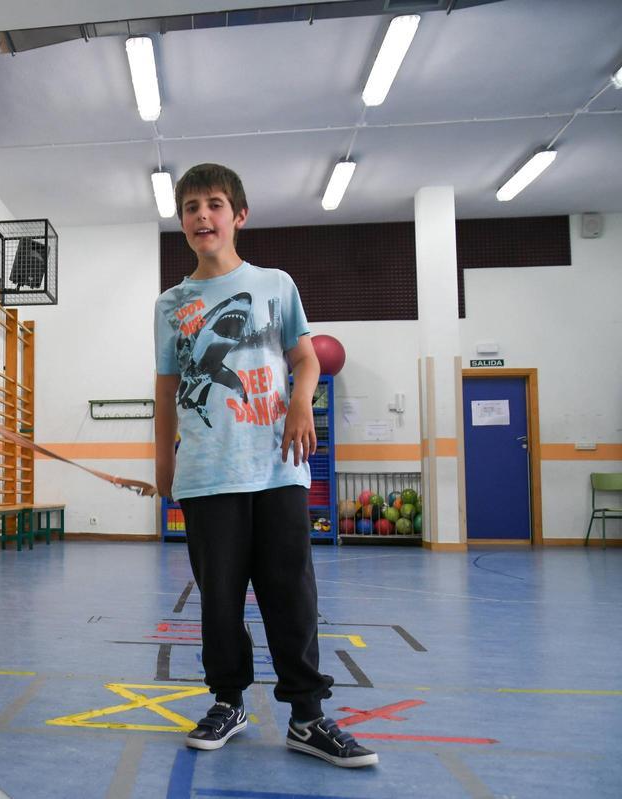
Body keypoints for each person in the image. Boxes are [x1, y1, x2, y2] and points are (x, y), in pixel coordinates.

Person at [153, 163, 377, 768]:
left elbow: (306, 359)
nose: (204, 215)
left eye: (216, 204)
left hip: (278, 469)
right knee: (220, 601)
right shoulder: (172, 306)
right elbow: (167, 388)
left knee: (290, 597)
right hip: (206, 475)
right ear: (182, 221)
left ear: (238, 216)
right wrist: (161, 464)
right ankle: (228, 701)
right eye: (192, 206)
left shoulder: (276, 284)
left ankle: (307, 716)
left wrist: (302, 400)